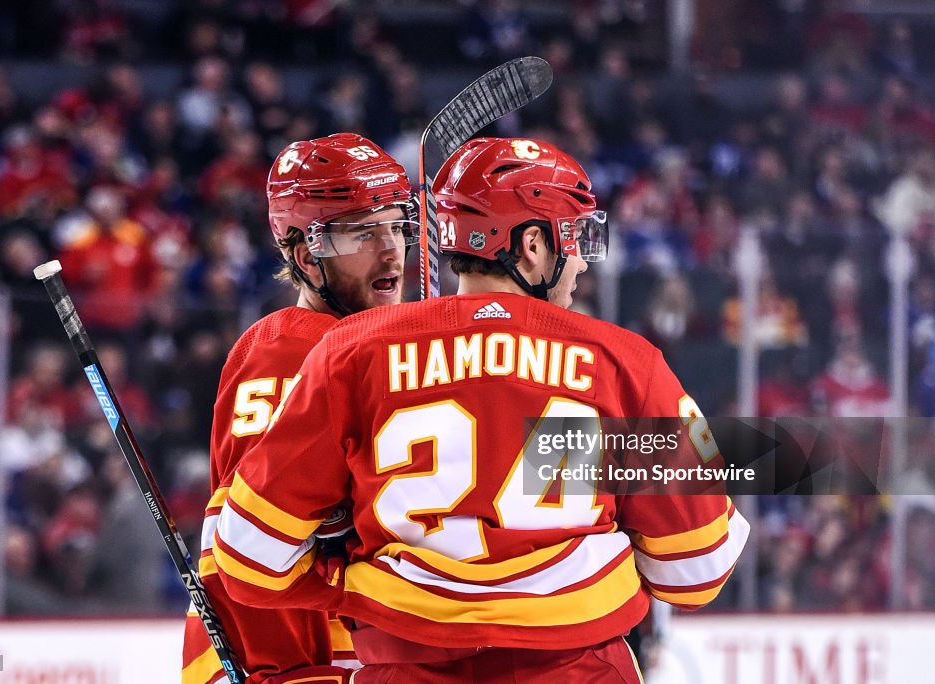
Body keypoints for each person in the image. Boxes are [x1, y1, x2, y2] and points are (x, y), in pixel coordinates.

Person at [212, 137, 750, 682]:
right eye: (576, 236)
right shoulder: (627, 363)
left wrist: (353, 578)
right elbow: (697, 571)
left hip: (407, 669)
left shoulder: (351, 352)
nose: (583, 259)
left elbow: (247, 558)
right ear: (533, 245)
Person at [181, 133, 418, 684]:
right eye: (363, 232)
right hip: (296, 662)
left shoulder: (378, 345)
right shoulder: (290, 355)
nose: (391, 250)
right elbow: (244, 542)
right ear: (307, 254)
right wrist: (291, 674)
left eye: (395, 225)